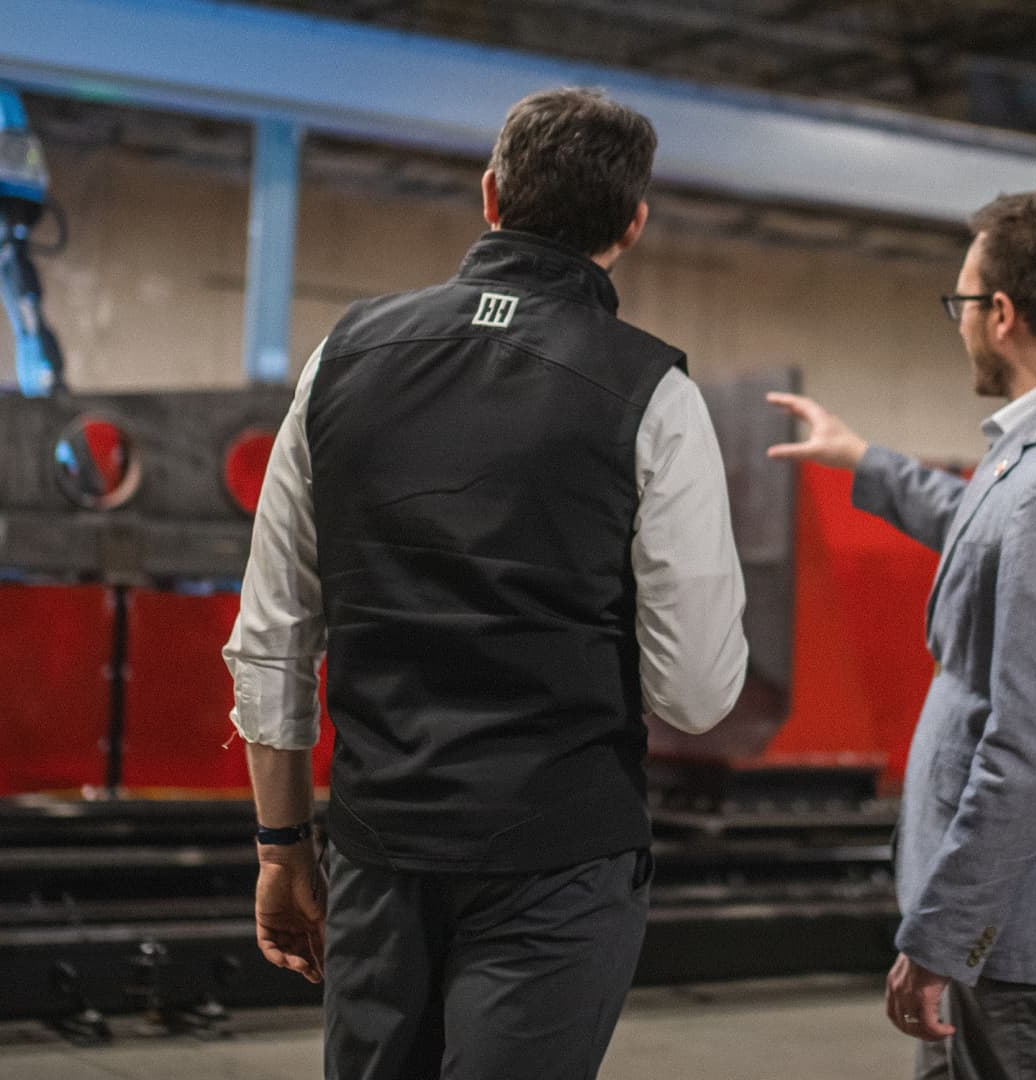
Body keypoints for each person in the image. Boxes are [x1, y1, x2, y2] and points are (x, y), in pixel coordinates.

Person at [221, 87, 749, 1080]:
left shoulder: (343, 360)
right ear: (632, 225)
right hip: (558, 861)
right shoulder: (653, 395)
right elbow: (695, 692)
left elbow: (273, 634)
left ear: (491, 196)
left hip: (378, 857)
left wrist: (282, 846)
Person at [767, 189, 1036, 1080]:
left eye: (960, 302)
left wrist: (942, 934)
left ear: (1000, 314)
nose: (957, 324)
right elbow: (985, 523)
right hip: (1004, 920)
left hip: (1015, 932)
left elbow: (1035, 749)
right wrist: (863, 460)